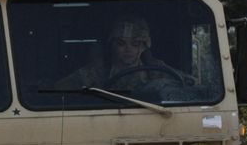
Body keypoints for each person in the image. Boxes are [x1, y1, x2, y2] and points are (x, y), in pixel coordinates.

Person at [59, 17, 190, 91]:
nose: (128, 49)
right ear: (112, 45)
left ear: (144, 47)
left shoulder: (157, 71)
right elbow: (60, 90)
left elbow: (191, 87)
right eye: (121, 44)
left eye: (135, 44)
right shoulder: (96, 72)